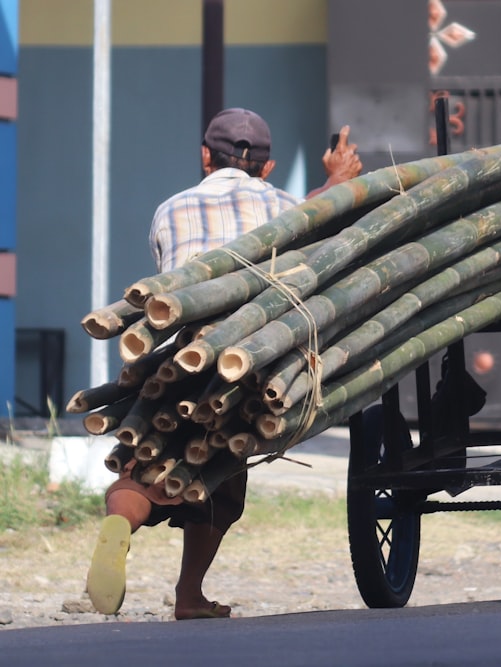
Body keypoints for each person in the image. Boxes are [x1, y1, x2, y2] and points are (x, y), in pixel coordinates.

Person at [86, 107, 362, 620]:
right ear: (269, 166)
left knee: (146, 458)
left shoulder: (171, 209)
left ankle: (120, 523)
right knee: (217, 475)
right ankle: (189, 595)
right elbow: (311, 235)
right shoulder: (286, 207)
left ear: (205, 156)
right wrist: (337, 183)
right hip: (248, 366)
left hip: (180, 360)